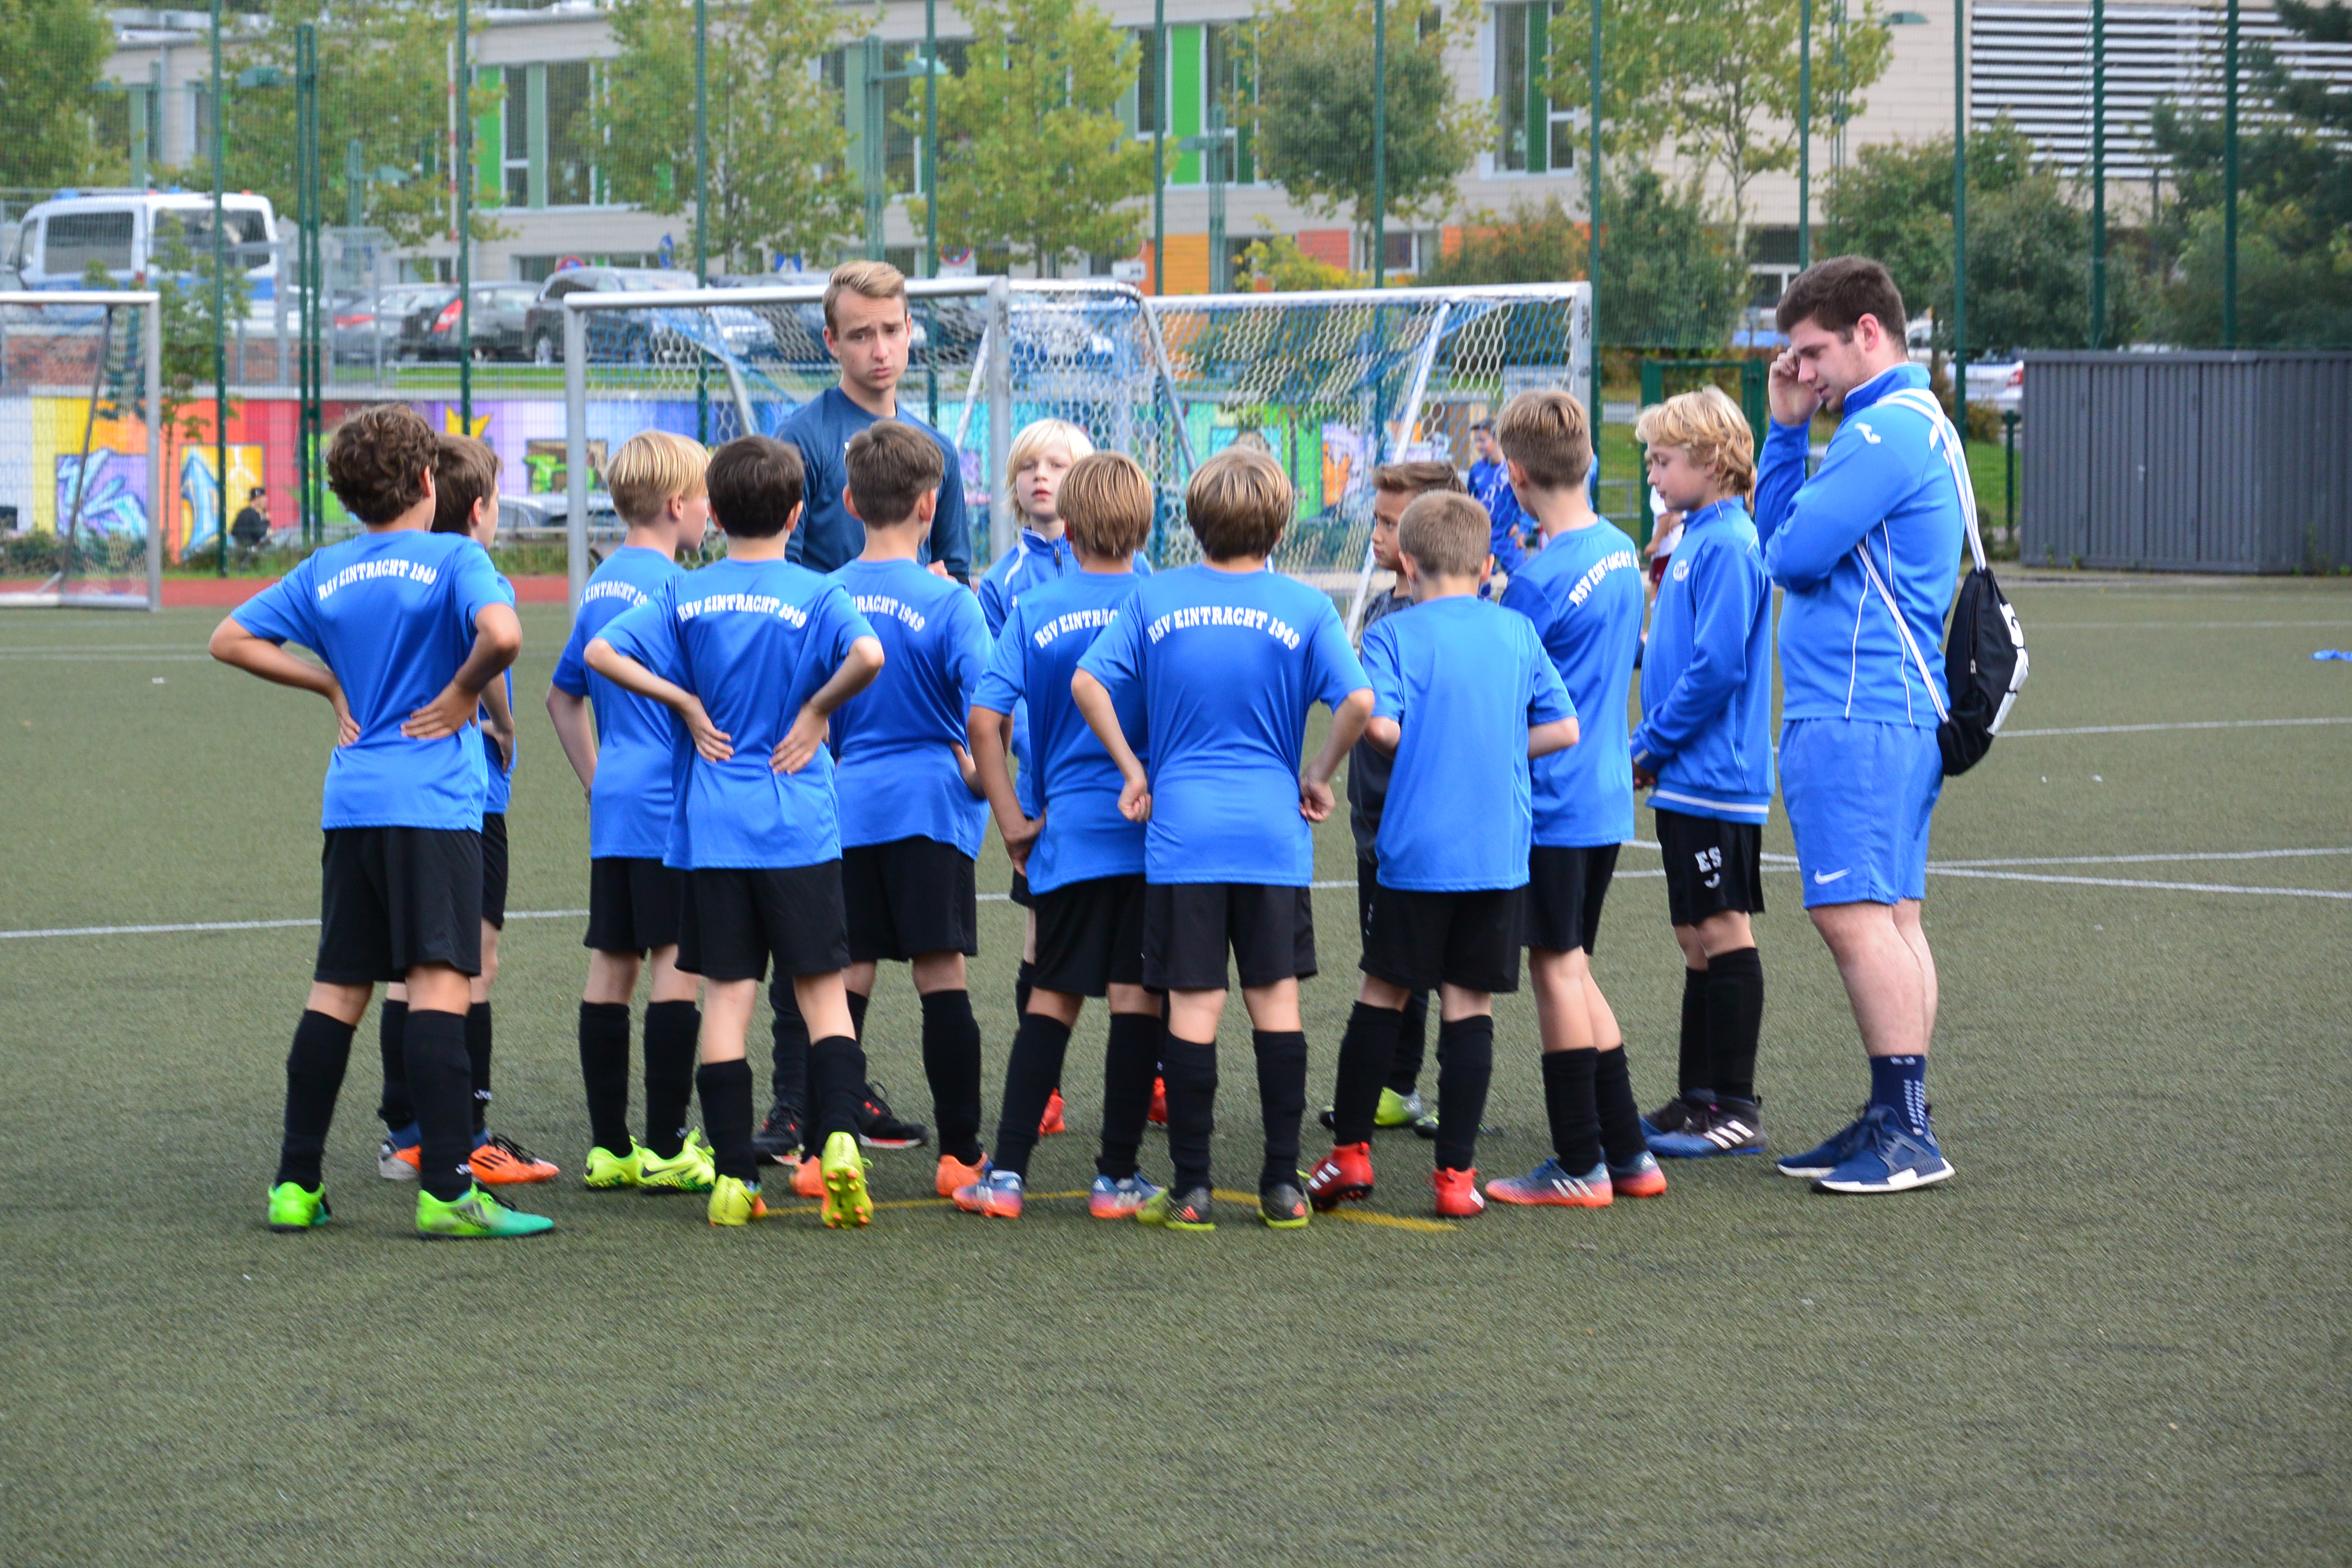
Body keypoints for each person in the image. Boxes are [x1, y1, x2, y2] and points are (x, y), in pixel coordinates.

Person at [210, 403, 547, 1240]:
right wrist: (466, 689)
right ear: (431, 482)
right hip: (432, 805)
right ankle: (445, 1190)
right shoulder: (454, 556)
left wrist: (329, 685)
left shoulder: (324, 568)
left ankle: (295, 1185)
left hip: (352, 800)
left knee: (337, 990)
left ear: (346, 495)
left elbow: (228, 638)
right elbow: (502, 634)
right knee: (439, 983)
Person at [586, 435, 887, 1228]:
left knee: (727, 1002)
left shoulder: (686, 594)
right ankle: (840, 1145)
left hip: (714, 832)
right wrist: (818, 710)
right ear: (797, 514)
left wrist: (682, 704)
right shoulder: (818, 593)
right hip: (800, 829)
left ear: (713, 515)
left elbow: (600, 649)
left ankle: (729, 1178)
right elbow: (869, 654)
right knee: (824, 997)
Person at [1073, 446, 1374, 1233]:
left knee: (1193, 1009)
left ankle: (1194, 1189)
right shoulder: (1305, 607)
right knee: (1276, 1005)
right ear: (1280, 522)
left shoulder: (1154, 598)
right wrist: (1318, 770)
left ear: (1192, 520)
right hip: (1272, 836)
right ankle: (1280, 1186)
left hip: (1184, 838)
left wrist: (1134, 771)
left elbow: (1087, 682)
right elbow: (1359, 701)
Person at [1755, 255, 1965, 1195]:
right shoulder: (1916, 422)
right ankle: (1897, 1111)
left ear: (1866, 335)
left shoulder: (1882, 430)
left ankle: (1906, 1127)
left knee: (1854, 917)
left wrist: (1783, 436)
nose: (1803, 373)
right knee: (1893, 915)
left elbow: (1788, 551)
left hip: (1855, 707)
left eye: (1812, 352)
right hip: (1889, 706)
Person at [1307, 491, 1578, 1218]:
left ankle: (1349, 1156)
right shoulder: (1518, 631)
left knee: (1384, 995)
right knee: (1471, 1006)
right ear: (1488, 564)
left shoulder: (1394, 634)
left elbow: (1385, 731)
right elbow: (1565, 729)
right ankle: (1456, 1180)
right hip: (1497, 852)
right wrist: (1495, 748)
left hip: (1419, 849)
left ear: (1407, 560)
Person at [761, 259, 965, 1159]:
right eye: (861, 334)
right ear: (832, 339)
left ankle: (843, 1101)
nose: (880, 349)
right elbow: (779, 568)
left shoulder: (932, 451)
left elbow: (952, 568)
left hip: (910, 714)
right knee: (819, 928)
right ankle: (796, 1103)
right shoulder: (803, 438)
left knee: (874, 939)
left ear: (909, 329)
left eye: (893, 330)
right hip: (822, 709)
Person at [958, 452, 1168, 1219]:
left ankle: (1006, 1176)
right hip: (1151, 838)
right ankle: (1115, 1180)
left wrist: (1010, 818)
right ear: (1147, 528)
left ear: (1068, 529)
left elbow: (985, 720)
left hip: (1068, 835)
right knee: (1137, 1001)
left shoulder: (1034, 609)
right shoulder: (1162, 603)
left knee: (1051, 998)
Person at [1478, 389, 1665, 1208]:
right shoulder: (1622, 549)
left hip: (1550, 802)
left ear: (1514, 476)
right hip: (1602, 798)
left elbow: (1505, 692)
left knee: (1556, 971)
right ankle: (1627, 1154)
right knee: (1575, 967)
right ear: (1587, 461)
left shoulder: (1538, 583)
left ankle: (1580, 1162)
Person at [375, 433, 559, 1190]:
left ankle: (406, 1133)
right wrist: (504, 724)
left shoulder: (399, 574)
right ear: (481, 510)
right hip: (466, 797)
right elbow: (490, 654)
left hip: (393, 792)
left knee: (404, 969)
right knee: (470, 962)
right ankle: (470, 1131)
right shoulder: (472, 572)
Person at [821, 420, 996, 1203]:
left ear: (851, 500)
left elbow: (808, 705)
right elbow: (992, 707)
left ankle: (824, 1149)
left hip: (845, 804)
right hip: (931, 806)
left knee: (844, 979)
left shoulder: (825, 594)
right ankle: (959, 1156)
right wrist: (976, 764)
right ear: (931, 506)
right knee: (940, 977)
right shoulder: (953, 602)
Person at [546, 429, 716, 1194]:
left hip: (616, 797)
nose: (711, 513)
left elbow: (562, 695)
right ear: (679, 505)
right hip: (667, 802)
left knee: (611, 964)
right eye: (706, 498)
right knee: (677, 963)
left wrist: (594, 778)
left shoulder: (603, 581)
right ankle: (669, 1143)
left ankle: (610, 1146)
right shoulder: (675, 590)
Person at [973, 416, 1137, 1136]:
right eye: (1030, 464)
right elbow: (989, 704)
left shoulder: (1147, 585)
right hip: (1051, 792)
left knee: (1136, 969)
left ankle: (1148, 1082)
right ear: (1012, 484)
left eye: (1060, 464)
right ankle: (1053, 1099)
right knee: (1046, 950)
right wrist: (1006, 798)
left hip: (1115, 802)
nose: (1043, 475)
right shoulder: (1006, 584)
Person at [1626, 386, 1775, 1161]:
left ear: (1712, 461)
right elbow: (1679, 649)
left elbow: (1718, 667)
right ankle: (1697, 1097)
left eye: (1664, 458)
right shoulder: (1693, 537)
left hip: (1714, 775)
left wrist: (1649, 744)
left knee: (1722, 928)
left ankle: (1738, 1106)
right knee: (1693, 933)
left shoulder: (1728, 544)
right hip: (1686, 774)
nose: (1653, 472)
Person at [1320, 459, 1465, 1142]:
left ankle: (1444, 1092)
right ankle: (1398, 1084)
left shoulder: (1454, 621)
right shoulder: (1383, 605)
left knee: (1446, 968)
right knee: (1387, 956)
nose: (1377, 533)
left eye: (1389, 521)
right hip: (1373, 818)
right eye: (1376, 518)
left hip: (1429, 822)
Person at [1464, 418, 1530, 585]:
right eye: (1476, 441)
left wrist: (1522, 525)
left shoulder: (1512, 468)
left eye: (1482, 441)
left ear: (1497, 440)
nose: (1478, 446)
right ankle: (1483, 605)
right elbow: (1468, 499)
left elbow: (1530, 498)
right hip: (1484, 535)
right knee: (1480, 580)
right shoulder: (1477, 470)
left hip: (1509, 534)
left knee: (1521, 579)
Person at [230, 487, 270, 552]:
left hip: (240, 548)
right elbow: (260, 533)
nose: (266, 500)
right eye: (264, 498)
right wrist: (266, 521)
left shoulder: (244, 512)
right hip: (248, 550)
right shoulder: (253, 514)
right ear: (257, 499)